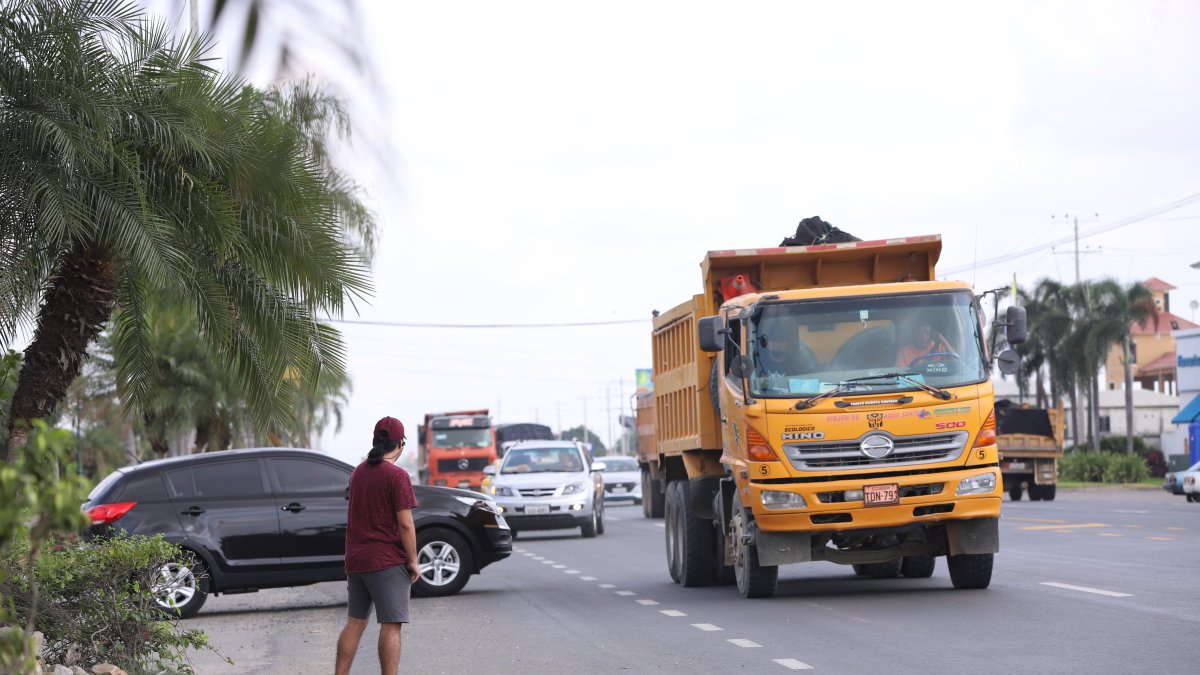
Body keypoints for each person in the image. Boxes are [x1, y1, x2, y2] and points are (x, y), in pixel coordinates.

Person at [335, 416, 420, 675]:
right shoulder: (397, 476)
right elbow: (405, 524)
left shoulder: (357, 472)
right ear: (400, 444)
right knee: (392, 624)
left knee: (355, 623)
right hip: (386, 561)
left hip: (356, 560)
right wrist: (413, 560)